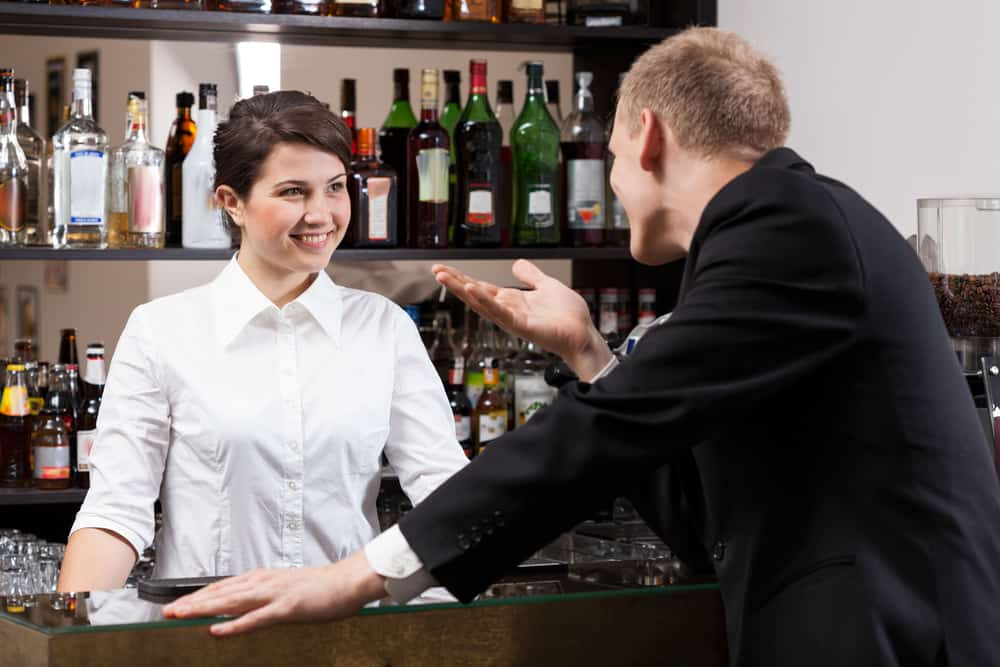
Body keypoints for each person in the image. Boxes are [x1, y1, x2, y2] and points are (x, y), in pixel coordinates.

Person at [164, 29, 1000, 666]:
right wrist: (593, 355)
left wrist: (360, 572)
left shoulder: (783, 228)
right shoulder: (791, 224)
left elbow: (606, 431)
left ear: (645, 137)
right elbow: (690, 492)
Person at [58, 92, 468, 591]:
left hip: (349, 632)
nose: (321, 215)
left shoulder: (384, 328)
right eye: (293, 192)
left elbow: (446, 491)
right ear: (232, 202)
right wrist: (73, 632)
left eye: (334, 188)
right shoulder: (161, 331)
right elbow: (116, 510)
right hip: (205, 635)